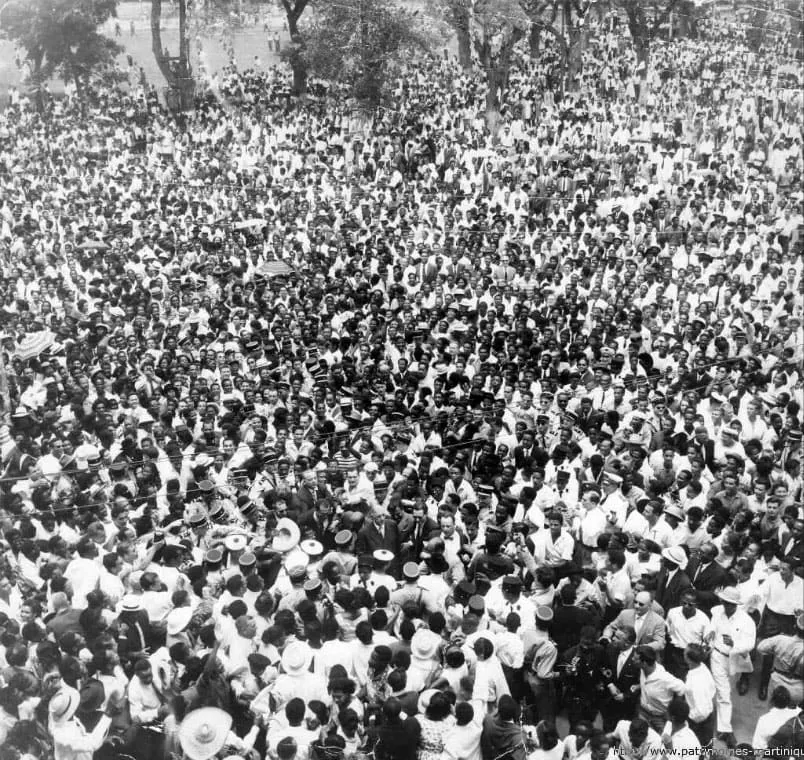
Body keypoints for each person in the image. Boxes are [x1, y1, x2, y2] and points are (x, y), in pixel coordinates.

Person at [706, 587, 757, 748]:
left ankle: (722, 722)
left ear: (736, 604)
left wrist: (735, 644)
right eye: (724, 602)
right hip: (717, 656)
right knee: (724, 692)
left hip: (734, 660)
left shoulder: (746, 621)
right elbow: (711, 627)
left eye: (730, 604)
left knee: (728, 691)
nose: (726, 606)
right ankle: (725, 730)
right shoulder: (717, 613)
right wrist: (709, 634)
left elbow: (750, 644)